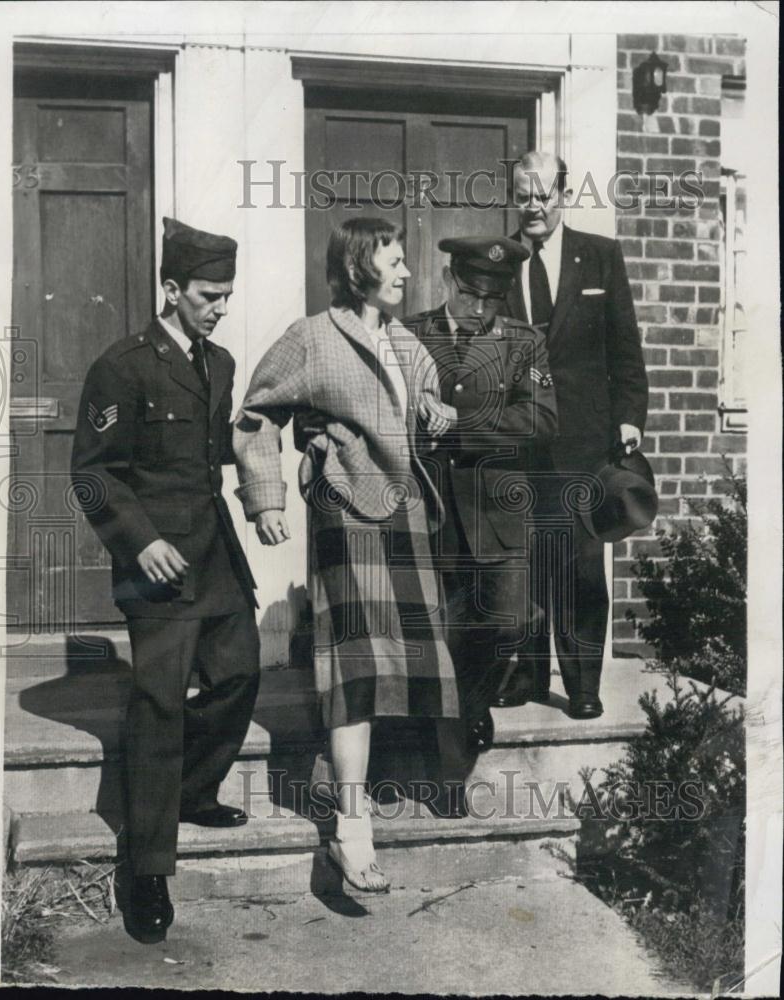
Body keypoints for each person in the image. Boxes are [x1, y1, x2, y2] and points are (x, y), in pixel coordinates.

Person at [232, 217, 458, 892]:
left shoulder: (407, 341)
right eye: (393, 262)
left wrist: (436, 414)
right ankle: (351, 832)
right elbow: (255, 417)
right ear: (360, 265)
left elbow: (427, 402)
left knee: (399, 664)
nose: (407, 273)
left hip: (405, 513)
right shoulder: (311, 337)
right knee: (354, 664)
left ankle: (347, 792)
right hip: (344, 506)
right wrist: (266, 498)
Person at [71, 218, 260, 944]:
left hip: (213, 553)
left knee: (240, 673)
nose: (219, 307)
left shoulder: (222, 362)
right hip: (156, 565)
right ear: (172, 289)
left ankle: (187, 791)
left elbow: (216, 455)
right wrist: (139, 541)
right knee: (157, 704)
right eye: (209, 295)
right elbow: (91, 475)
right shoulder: (122, 367)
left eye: (227, 296)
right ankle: (147, 866)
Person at [499, 151, 648, 719]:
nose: (533, 205)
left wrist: (630, 416)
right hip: (518, 441)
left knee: (582, 564)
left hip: (586, 442)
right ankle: (528, 674)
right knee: (528, 559)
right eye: (523, 194)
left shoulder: (601, 257)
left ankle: (582, 683)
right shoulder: (500, 261)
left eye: (543, 194)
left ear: (563, 195)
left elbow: (625, 350)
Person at [403, 237, 558, 773]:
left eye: (493, 300)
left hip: (497, 516)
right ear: (448, 279)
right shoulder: (410, 335)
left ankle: (470, 703)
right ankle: (451, 759)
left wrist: (459, 423)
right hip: (433, 512)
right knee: (444, 635)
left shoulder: (526, 343)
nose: (480, 309)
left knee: (509, 619)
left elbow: (541, 419)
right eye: (470, 294)